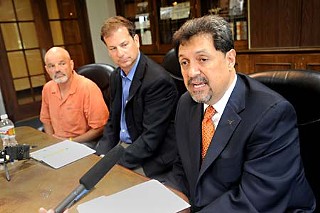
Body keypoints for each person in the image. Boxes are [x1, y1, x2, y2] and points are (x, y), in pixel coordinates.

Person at [166, 15, 316, 212]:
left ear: (230, 59)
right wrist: (168, 199)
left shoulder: (271, 114)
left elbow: (256, 199)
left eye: (202, 59)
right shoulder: (186, 103)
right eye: (184, 62)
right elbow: (182, 165)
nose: (192, 72)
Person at [94, 15, 178, 180]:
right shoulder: (116, 76)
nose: (120, 53)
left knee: (110, 184)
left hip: (152, 156)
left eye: (124, 45)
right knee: (90, 175)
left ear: (136, 40)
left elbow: (151, 139)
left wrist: (112, 163)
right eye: (113, 48)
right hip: (125, 146)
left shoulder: (157, 81)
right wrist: (100, 155)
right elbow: (113, 122)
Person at [40, 47, 109, 147]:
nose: (57, 70)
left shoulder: (88, 87)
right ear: (47, 70)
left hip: (83, 142)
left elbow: (100, 128)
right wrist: (52, 142)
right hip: (57, 142)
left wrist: (70, 142)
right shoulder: (47, 88)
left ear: (71, 64)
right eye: (51, 66)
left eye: (62, 64)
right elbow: (46, 120)